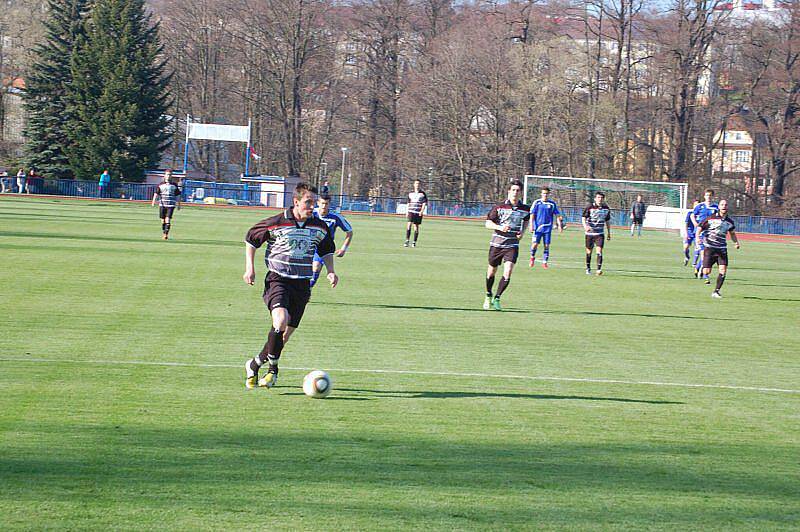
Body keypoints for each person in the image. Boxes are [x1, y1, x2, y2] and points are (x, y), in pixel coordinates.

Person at [243, 182, 338, 389]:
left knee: (283, 335)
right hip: (278, 279)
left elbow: (326, 249)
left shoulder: (318, 226)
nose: (312, 206)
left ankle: (254, 364)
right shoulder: (277, 222)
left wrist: (330, 271)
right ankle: (273, 371)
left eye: (314, 202)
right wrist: (249, 268)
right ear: (296, 202)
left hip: (302, 285)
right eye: (308, 202)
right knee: (281, 319)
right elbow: (251, 239)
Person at [484, 179, 530, 310]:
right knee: (491, 272)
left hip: (512, 245)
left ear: (521, 193)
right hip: (497, 244)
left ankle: (497, 298)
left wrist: (522, 232)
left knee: (508, 271)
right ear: (509, 192)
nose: (515, 193)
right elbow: (487, 223)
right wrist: (499, 227)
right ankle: (488, 295)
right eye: (513, 190)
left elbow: (526, 220)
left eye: (518, 191)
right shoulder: (499, 207)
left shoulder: (525, 209)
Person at [698, 199, 740, 299]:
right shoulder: (711, 218)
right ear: (719, 207)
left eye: (725, 205)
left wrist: (736, 242)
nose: (724, 206)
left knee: (723, 270)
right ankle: (702, 268)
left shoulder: (729, 222)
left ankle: (716, 291)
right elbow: (700, 227)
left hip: (722, 249)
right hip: (710, 248)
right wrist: (697, 238)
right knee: (706, 272)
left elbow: (732, 233)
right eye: (722, 205)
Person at [310, 194, 353, 287]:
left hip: (323, 249)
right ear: (318, 203)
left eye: (326, 204)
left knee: (316, 268)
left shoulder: (335, 217)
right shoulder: (310, 214)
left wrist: (343, 249)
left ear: (329, 204)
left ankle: (304, 293)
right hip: (308, 246)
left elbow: (349, 232)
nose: (324, 206)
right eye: (322, 203)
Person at [528, 186, 564, 268]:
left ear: (549, 194)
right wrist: (531, 225)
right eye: (544, 193)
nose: (545, 195)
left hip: (547, 229)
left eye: (547, 194)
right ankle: (532, 257)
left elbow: (557, 215)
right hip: (537, 228)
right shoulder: (537, 203)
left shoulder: (552, 204)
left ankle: (544, 262)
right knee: (535, 244)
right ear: (541, 194)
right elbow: (532, 214)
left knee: (546, 245)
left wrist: (559, 225)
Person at [690, 189, 719, 279]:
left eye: (710, 195)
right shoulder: (700, 206)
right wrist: (695, 223)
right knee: (703, 253)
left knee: (707, 254)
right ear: (704, 196)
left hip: (710, 234)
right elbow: (692, 215)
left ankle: (698, 267)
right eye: (707, 195)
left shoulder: (715, 207)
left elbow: (719, 218)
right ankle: (705, 275)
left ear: (713, 196)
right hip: (700, 233)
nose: (708, 197)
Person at [582, 191, 612, 275]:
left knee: (599, 251)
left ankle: (598, 269)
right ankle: (588, 268)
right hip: (590, 234)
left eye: (601, 198)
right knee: (589, 252)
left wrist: (609, 233)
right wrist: (585, 227)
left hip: (600, 234)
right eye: (598, 197)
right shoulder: (590, 207)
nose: (600, 199)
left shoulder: (606, 208)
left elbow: (608, 221)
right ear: (595, 198)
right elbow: (583, 218)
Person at [151, 170, 182, 240]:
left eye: (170, 175)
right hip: (162, 204)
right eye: (167, 174)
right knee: (163, 220)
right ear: (164, 176)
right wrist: (153, 202)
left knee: (168, 219)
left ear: (171, 176)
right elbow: (156, 193)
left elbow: (178, 195)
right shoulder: (161, 184)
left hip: (171, 205)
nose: (168, 176)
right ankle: (164, 232)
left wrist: (179, 204)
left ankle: (166, 234)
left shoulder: (174, 185)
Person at [404, 179, 428, 247]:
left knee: (416, 226)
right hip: (411, 211)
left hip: (418, 212)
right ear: (414, 184)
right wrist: (406, 211)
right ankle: (407, 240)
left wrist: (421, 211)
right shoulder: (410, 193)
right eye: (416, 183)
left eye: (418, 184)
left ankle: (414, 242)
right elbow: (408, 203)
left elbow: (424, 203)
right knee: (409, 225)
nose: (417, 185)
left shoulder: (422, 194)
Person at [682, 200, 700, 266]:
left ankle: (694, 263)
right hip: (689, 232)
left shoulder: (701, 214)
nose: (696, 206)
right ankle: (687, 257)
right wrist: (686, 233)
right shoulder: (690, 213)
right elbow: (686, 224)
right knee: (685, 247)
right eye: (695, 205)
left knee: (697, 247)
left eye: (698, 205)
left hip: (697, 233)